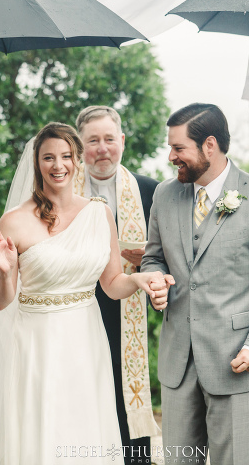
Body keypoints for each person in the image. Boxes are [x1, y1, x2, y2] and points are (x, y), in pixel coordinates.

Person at [0, 122, 168, 465]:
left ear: (77, 160)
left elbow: (111, 284)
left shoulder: (98, 212)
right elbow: (1, 301)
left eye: (65, 157)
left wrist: (139, 281)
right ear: (37, 163)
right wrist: (2, 271)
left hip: (86, 340)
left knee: (84, 425)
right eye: (48, 158)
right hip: (36, 342)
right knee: (42, 431)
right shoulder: (14, 220)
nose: (58, 165)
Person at [141, 103, 249, 464]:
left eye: (179, 148)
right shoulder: (164, 195)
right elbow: (153, 258)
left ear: (209, 145)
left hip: (239, 362)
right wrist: (156, 280)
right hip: (179, 365)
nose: (170, 156)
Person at [75, 106, 159, 461]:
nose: (102, 149)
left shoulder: (150, 190)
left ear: (121, 141)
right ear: (79, 147)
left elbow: (171, 250)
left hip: (129, 307)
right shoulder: (62, 190)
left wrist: (152, 260)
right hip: (77, 306)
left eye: (109, 139)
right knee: (84, 386)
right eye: (92, 141)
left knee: (126, 389)